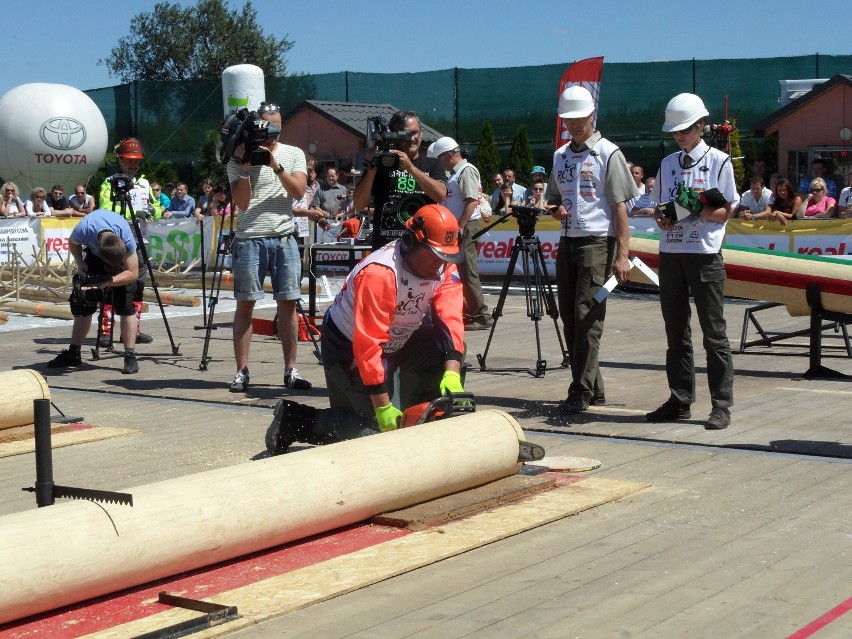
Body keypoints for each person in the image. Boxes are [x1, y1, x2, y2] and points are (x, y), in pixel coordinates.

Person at [265, 204, 466, 454]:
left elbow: (450, 320)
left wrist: (452, 373)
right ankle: (293, 420)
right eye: (435, 255)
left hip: (400, 339)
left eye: (445, 256)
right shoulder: (380, 274)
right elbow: (368, 346)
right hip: (348, 349)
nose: (440, 263)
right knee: (372, 435)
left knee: (441, 357)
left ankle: (424, 421)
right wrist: (382, 407)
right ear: (415, 242)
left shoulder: (445, 266)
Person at [646, 92, 737, 431]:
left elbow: (725, 210)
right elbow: (659, 208)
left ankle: (721, 405)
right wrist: (663, 218)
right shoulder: (668, 164)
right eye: (675, 131)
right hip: (671, 253)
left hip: (704, 255)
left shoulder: (719, 161)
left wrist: (696, 206)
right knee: (676, 331)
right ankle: (679, 399)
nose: (679, 135)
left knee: (714, 333)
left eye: (685, 129)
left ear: (701, 126)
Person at [545, 85, 637, 414]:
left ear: (591, 116)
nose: (572, 124)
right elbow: (552, 199)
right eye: (567, 119)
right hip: (568, 240)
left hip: (598, 241)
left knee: (588, 314)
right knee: (570, 316)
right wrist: (554, 209)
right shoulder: (560, 155)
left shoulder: (609, 154)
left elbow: (621, 209)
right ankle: (594, 385)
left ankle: (580, 389)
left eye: (578, 118)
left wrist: (622, 256)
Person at [226, 100, 311, 393]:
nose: (270, 135)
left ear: (281, 125)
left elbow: (298, 191)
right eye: (265, 128)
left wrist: (275, 165)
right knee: (245, 303)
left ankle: (290, 369)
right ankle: (242, 371)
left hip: (284, 236)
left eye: (275, 127)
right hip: (249, 236)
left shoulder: (293, 153)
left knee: (288, 305)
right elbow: (242, 202)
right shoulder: (238, 155)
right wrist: (247, 165)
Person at [46, 209, 141, 375]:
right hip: (95, 257)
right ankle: (74, 352)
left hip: (119, 261)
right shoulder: (84, 228)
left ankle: (129, 354)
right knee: (83, 304)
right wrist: (80, 262)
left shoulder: (126, 237)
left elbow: (133, 273)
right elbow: (73, 243)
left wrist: (107, 282)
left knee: (126, 307)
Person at [354, 109, 447, 250]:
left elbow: (441, 194)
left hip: (422, 249)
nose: (411, 138)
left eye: (414, 133)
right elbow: (359, 204)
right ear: (393, 135)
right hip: (386, 249)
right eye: (404, 133)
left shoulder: (433, 164)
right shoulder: (380, 165)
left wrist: (410, 168)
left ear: (421, 134)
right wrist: (372, 167)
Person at [99, 138, 159, 345]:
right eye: (128, 161)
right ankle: (106, 331)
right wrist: (127, 209)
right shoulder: (109, 183)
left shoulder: (144, 183)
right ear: (120, 161)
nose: (133, 165)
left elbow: (157, 208)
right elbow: (105, 208)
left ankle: (133, 330)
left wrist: (153, 210)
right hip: (117, 240)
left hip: (140, 239)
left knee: (138, 284)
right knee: (111, 282)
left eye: (136, 161)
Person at [428, 137, 491, 329]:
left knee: (468, 271)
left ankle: (480, 316)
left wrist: (461, 226)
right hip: (461, 226)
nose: (440, 163)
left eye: (440, 159)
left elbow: (471, 201)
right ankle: (470, 312)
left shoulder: (466, 170)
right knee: (460, 271)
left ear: (449, 155)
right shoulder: (457, 173)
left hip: (467, 226)